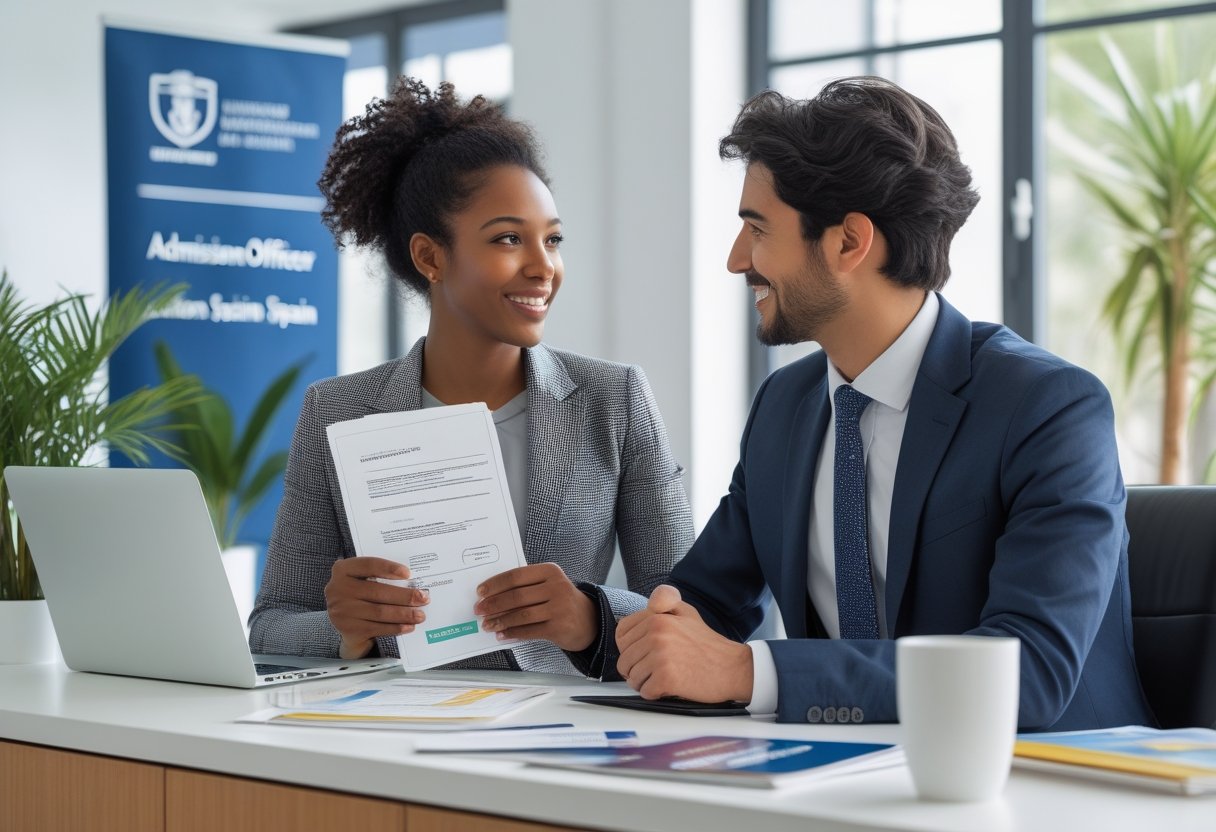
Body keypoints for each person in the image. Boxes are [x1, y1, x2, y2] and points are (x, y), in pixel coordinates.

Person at [591, 77, 1153, 730]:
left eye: (757, 228)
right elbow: (702, 605)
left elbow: (1029, 672)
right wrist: (596, 623)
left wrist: (751, 672)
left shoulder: (1048, 408)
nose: (735, 259)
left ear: (849, 242)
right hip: (844, 780)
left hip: (1052, 790)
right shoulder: (786, 403)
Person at [249, 78, 694, 674]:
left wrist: (590, 619)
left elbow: (690, 612)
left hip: (562, 736)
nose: (544, 267)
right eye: (509, 239)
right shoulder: (337, 411)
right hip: (384, 733)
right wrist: (344, 628)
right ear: (431, 257)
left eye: (553, 239)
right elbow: (273, 623)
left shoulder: (614, 400)